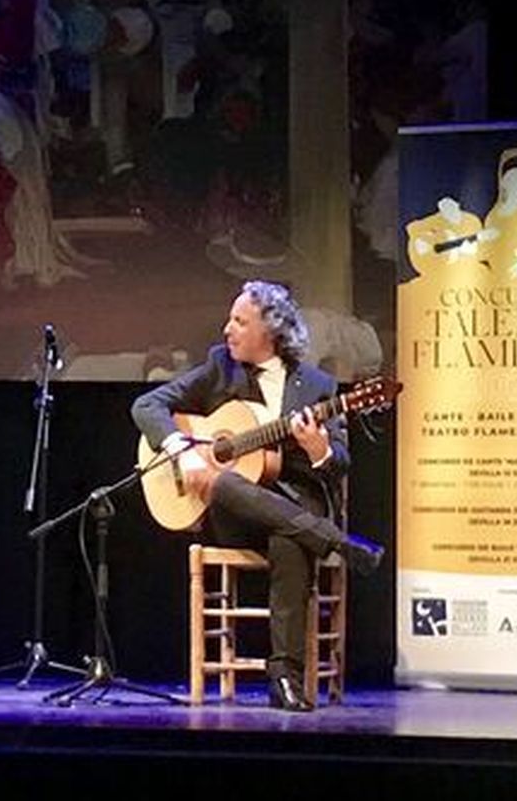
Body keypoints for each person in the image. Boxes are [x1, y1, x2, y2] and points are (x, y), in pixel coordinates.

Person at [131, 281, 385, 712]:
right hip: (237, 516)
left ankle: (283, 679)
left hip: (295, 506)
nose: (227, 329)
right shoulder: (220, 368)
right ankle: (336, 541)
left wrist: (317, 449)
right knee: (225, 483)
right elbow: (147, 406)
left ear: (271, 330)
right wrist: (183, 453)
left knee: (289, 539)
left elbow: (339, 461)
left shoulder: (320, 387)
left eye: (239, 321)